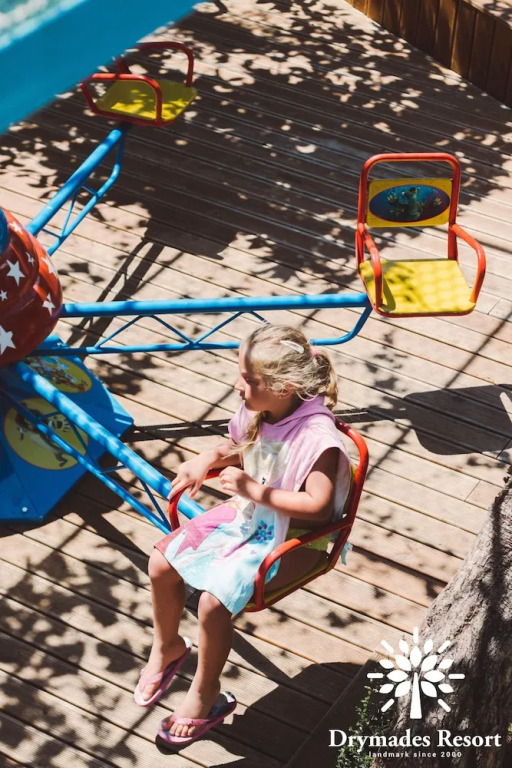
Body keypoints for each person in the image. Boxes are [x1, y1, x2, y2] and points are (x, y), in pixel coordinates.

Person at [135, 324, 352, 746]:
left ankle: (206, 692)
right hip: (251, 517)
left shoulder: (317, 439)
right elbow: (247, 448)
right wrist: (209, 456)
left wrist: (253, 490)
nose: (238, 386)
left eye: (249, 379)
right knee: (160, 562)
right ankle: (167, 646)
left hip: (297, 537)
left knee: (213, 605)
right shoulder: (263, 409)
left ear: (284, 387)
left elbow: (319, 507)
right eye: (241, 373)